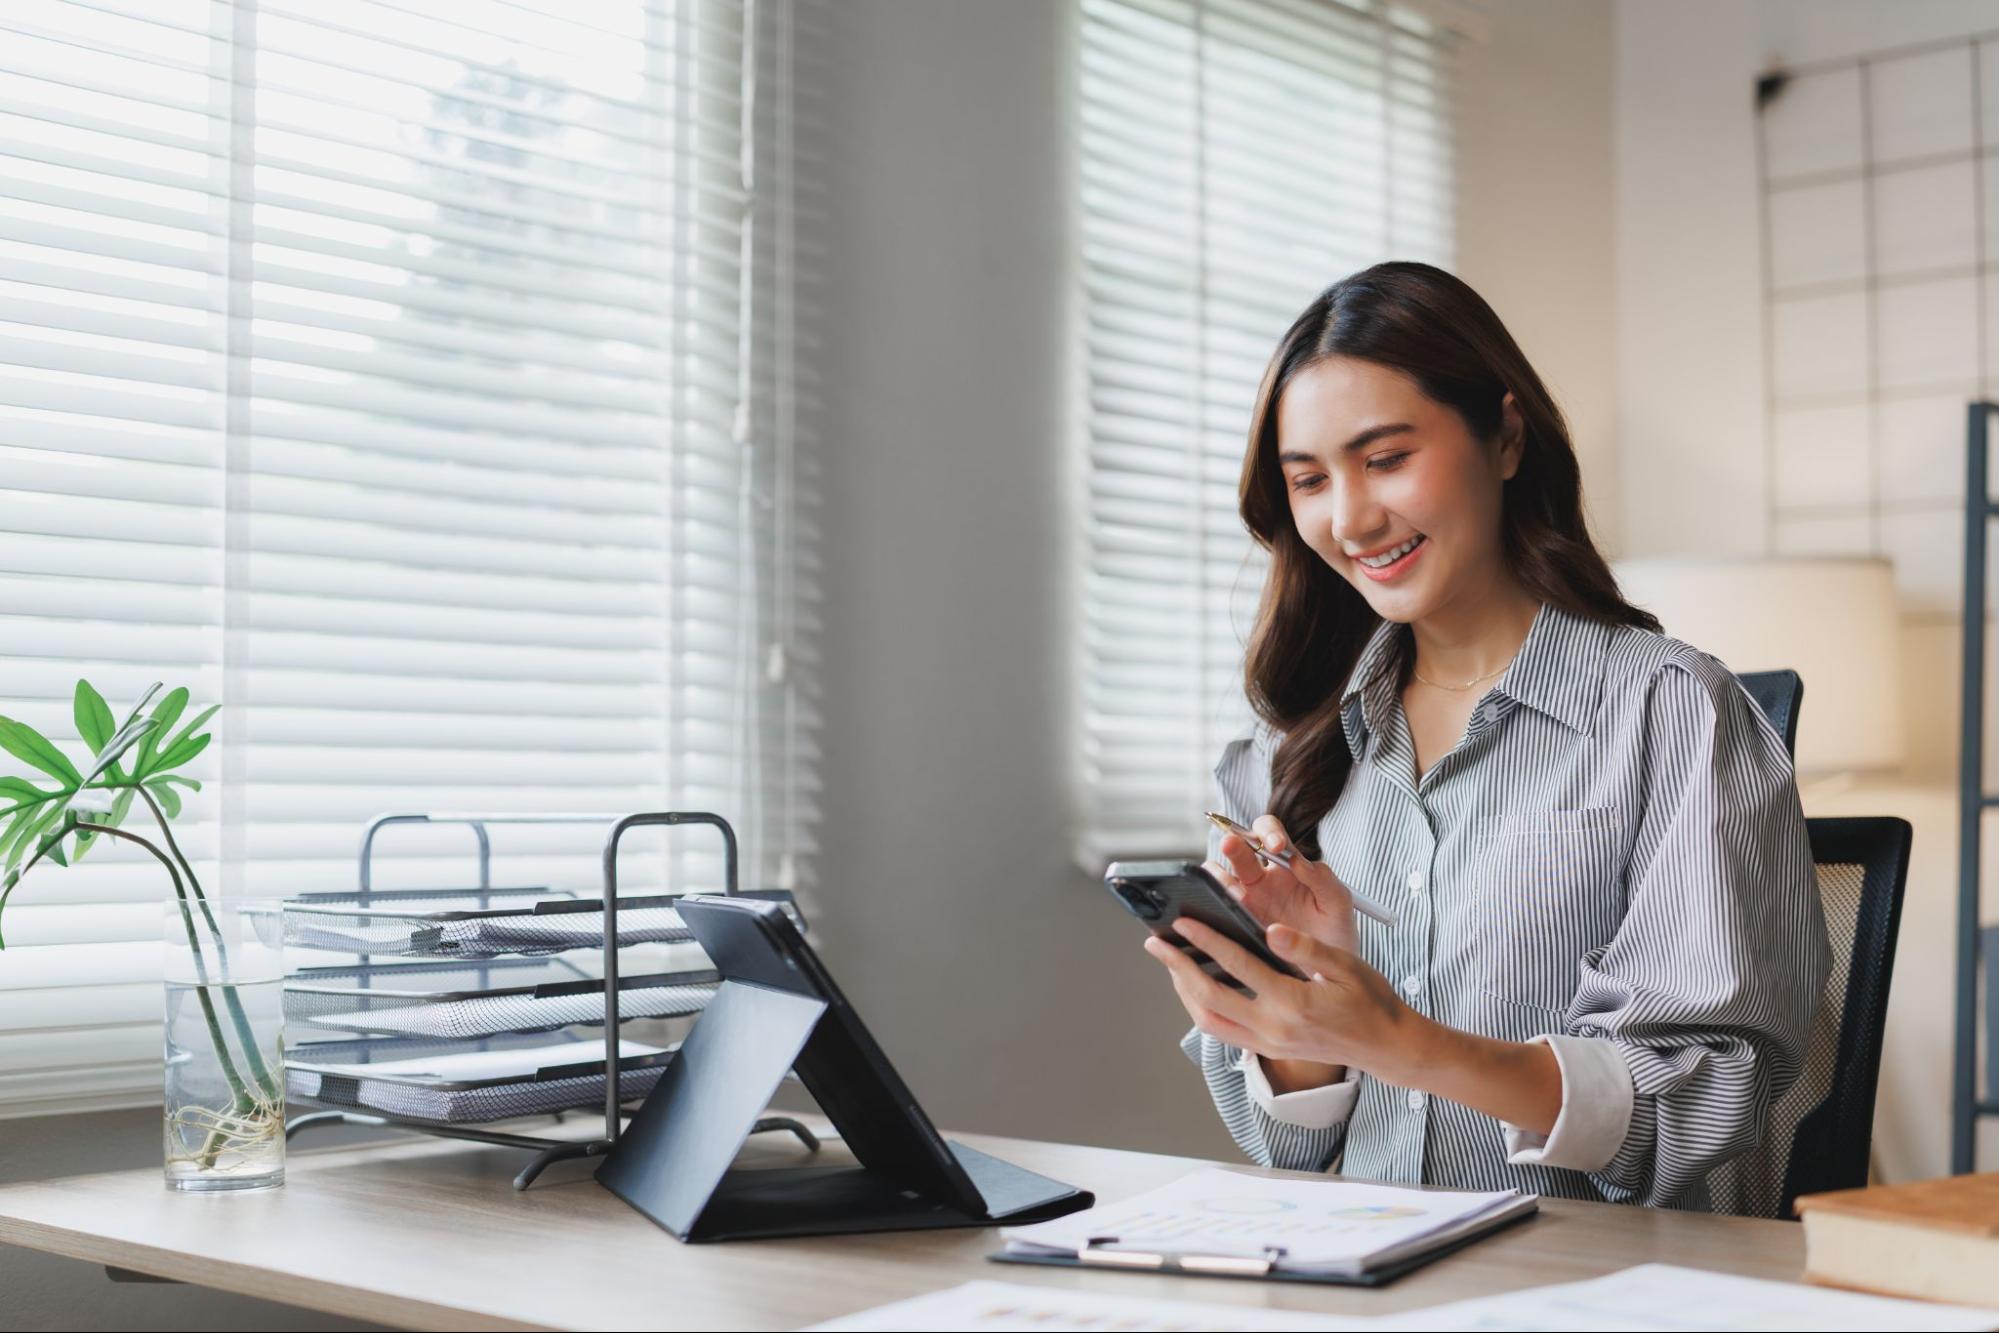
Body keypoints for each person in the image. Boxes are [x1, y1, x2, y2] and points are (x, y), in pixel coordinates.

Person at [1142, 261, 1831, 1212]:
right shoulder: (1287, 757)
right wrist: (1294, 1023)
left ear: (1505, 436)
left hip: (1611, 1291)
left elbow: (1708, 1109)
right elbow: (1287, 1150)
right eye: (1309, 480)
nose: (1349, 519)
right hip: (1375, 1275)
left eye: (1385, 459)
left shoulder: (1672, 713)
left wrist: (1399, 1038)